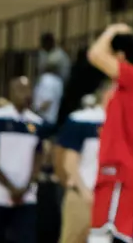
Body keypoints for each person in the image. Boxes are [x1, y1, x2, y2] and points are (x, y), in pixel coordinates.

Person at [85, 23, 133, 243]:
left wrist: (111, 30)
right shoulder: (120, 88)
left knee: (105, 237)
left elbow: (94, 54)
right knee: (100, 235)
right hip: (112, 168)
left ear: (120, 56)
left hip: (119, 169)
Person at [0, 76, 42, 243]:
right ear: (11, 93)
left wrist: (25, 188)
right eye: (20, 90)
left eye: (28, 90)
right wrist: (11, 188)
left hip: (26, 197)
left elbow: (38, 158)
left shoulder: (37, 122)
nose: (25, 94)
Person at [55, 89, 107, 243]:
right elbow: (67, 160)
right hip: (83, 193)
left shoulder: (123, 121)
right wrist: (83, 191)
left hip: (108, 198)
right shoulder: (82, 119)